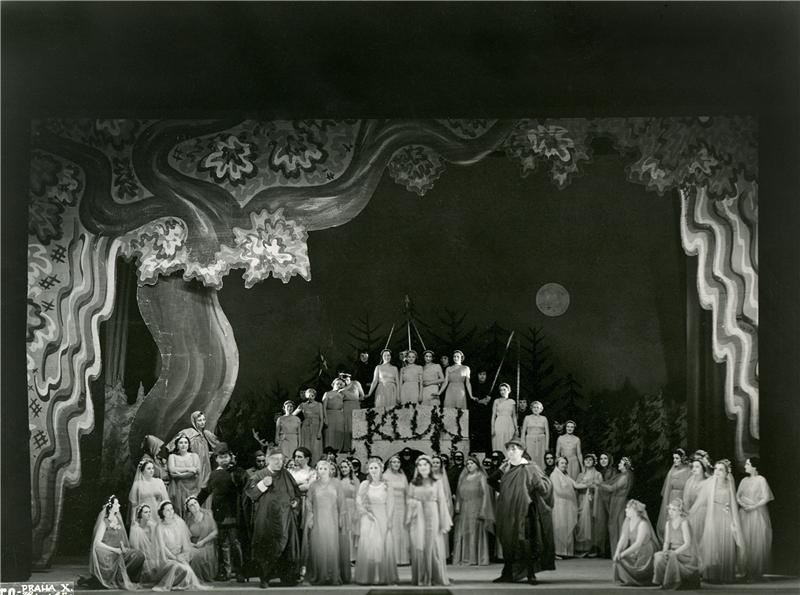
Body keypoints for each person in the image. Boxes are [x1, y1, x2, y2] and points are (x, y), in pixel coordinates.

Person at [490, 439, 555, 584]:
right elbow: (491, 480)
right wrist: (507, 491)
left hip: (526, 510)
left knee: (526, 541)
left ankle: (531, 574)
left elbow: (544, 486)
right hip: (508, 511)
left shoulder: (530, 467)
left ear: (522, 451)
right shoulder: (506, 468)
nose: (511, 451)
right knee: (508, 541)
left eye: (515, 448)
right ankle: (507, 573)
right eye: (509, 449)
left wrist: (532, 491)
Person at [244, 446, 302, 588]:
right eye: (275, 459)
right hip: (267, 518)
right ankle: (265, 578)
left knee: (287, 546)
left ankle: (287, 577)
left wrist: (295, 502)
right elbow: (250, 493)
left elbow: (296, 493)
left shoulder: (286, 474)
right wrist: (263, 484)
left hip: (285, 518)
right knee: (267, 546)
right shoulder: (259, 474)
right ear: (268, 459)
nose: (278, 462)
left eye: (281, 459)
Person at [196, 443, 246, 582]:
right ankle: (226, 572)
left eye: (226, 457)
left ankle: (240, 571)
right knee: (222, 543)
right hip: (219, 512)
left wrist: (235, 469)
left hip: (233, 512)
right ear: (216, 459)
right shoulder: (212, 475)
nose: (224, 459)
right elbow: (204, 492)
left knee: (235, 542)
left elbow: (244, 484)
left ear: (231, 457)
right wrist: (194, 504)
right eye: (221, 457)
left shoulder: (237, 472)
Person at [406, 455, 453, 586]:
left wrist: (443, 520)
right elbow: (408, 499)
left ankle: (435, 575)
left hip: (432, 515)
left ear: (430, 467)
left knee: (433, 543)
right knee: (419, 544)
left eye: (425, 464)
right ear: (417, 468)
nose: (423, 467)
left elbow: (442, 501)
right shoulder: (413, 483)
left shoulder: (437, 482)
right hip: (418, 516)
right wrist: (415, 504)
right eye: (420, 465)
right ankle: (421, 576)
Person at [696, 459, 744, 583]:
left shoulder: (729, 483)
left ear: (727, 472)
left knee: (725, 543)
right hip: (713, 515)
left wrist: (733, 519)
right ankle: (712, 575)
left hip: (725, 515)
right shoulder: (710, 484)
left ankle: (725, 575)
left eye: (721, 470)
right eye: (716, 469)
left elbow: (732, 502)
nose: (717, 472)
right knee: (714, 543)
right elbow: (701, 501)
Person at [304, 460, 351, 585]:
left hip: (333, 519)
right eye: (320, 468)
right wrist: (310, 517)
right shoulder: (313, 485)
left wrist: (342, 518)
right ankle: (320, 575)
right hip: (318, 519)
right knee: (318, 546)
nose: (323, 471)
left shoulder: (336, 484)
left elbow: (342, 502)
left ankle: (333, 575)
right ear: (317, 470)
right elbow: (308, 502)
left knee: (332, 545)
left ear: (330, 470)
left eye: (325, 468)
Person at [354, 458, 399, 585]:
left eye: (376, 468)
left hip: (382, 516)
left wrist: (389, 519)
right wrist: (365, 512)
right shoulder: (364, 484)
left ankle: (382, 576)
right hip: (368, 517)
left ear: (381, 469)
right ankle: (369, 576)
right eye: (371, 468)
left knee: (382, 545)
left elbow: (391, 502)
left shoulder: (387, 485)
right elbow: (359, 500)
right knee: (369, 546)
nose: (373, 470)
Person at [89, 495, 145, 589]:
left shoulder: (118, 519)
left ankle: (130, 579)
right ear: (110, 507)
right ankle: (117, 578)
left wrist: (122, 547)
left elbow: (119, 537)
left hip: (118, 550)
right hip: (107, 553)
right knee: (123, 557)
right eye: (116, 504)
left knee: (139, 555)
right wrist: (114, 550)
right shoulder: (104, 522)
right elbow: (97, 543)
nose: (119, 505)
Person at [152, 501, 209, 591]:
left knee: (187, 570)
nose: (171, 512)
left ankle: (179, 583)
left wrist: (182, 556)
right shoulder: (160, 527)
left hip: (178, 555)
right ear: (162, 512)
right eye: (167, 510)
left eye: (171, 509)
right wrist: (174, 558)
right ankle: (171, 583)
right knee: (178, 567)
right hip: (166, 557)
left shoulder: (178, 522)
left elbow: (184, 543)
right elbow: (162, 547)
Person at [452, 455, 494, 565]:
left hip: (476, 506)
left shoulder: (481, 476)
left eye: (472, 463)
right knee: (464, 531)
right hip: (465, 507)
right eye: (468, 464)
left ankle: (476, 558)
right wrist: (458, 505)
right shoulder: (463, 477)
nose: (469, 466)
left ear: (477, 465)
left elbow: (485, 494)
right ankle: (465, 557)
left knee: (475, 532)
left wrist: (483, 509)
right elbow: (458, 492)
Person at [737, 456, 774, 580]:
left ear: (754, 466)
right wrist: (743, 505)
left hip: (757, 513)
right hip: (744, 513)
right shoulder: (744, 480)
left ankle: (756, 571)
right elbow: (738, 496)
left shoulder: (761, 480)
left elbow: (766, 497)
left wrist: (753, 507)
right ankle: (745, 570)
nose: (745, 466)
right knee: (745, 541)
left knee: (756, 541)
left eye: (747, 464)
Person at [653, 498, 701, 589]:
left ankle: (673, 582)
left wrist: (674, 553)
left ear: (680, 511)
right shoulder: (668, 523)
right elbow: (666, 542)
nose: (670, 512)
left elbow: (687, 543)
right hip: (673, 551)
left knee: (671, 556)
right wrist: (664, 552)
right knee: (658, 556)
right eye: (670, 509)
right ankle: (663, 581)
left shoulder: (684, 523)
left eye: (674, 509)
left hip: (684, 553)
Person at [612, 499, 660, 586]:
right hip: (635, 551)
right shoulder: (628, 521)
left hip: (645, 552)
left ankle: (639, 578)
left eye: (628, 508)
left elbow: (638, 543)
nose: (625, 510)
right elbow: (623, 538)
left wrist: (622, 554)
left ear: (635, 511)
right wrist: (617, 552)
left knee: (622, 557)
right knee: (620, 560)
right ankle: (629, 579)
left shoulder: (643, 524)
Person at [550, 456, 588, 558]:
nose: (564, 465)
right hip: (559, 505)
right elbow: (558, 491)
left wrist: (589, 484)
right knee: (560, 526)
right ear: (557, 464)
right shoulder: (554, 475)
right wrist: (571, 494)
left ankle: (568, 552)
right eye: (562, 463)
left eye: (565, 463)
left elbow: (576, 485)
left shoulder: (566, 475)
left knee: (568, 527)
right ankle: (559, 551)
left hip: (568, 505)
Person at [598, 456, 634, 558]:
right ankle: (617, 551)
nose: (618, 464)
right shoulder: (622, 475)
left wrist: (599, 484)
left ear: (625, 466)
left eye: (620, 463)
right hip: (616, 501)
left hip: (620, 502)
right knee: (616, 525)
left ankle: (620, 551)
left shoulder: (624, 477)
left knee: (618, 525)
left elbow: (612, 488)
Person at [173, 411, 220, 490]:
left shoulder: (206, 434)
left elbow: (216, 445)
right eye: (199, 420)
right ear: (194, 421)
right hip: (194, 464)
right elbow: (175, 446)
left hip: (205, 464)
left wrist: (208, 453)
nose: (202, 422)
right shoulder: (188, 433)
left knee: (205, 484)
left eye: (203, 420)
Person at [656, 449, 691, 540]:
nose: (674, 460)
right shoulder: (672, 470)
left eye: (677, 458)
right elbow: (668, 487)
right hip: (672, 496)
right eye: (674, 458)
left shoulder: (688, 470)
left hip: (682, 496)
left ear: (682, 458)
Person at [384, 454, 411, 565]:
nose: (396, 464)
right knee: (393, 530)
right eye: (394, 462)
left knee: (402, 530)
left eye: (398, 462)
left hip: (402, 506)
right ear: (390, 464)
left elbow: (407, 493)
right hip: (391, 506)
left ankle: (403, 558)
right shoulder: (385, 476)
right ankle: (393, 558)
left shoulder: (402, 476)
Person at [167, 434, 201, 517]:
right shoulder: (172, 456)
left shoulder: (194, 456)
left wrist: (179, 474)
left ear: (189, 445)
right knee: (180, 510)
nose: (183, 445)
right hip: (178, 488)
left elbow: (197, 471)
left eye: (185, 442)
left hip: (193, 487)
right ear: (177, 445)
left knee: (192, 509)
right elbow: (172, 470)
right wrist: (189, 469)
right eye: (181, 442)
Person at [185, 496, 218, 582]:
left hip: (207, 543)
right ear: (189, 509)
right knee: (189, 554)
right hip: (194, 544)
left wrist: (203, 542)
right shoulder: (188, 520)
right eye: (191, 505)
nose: (194, 506)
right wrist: (191, 544)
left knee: (198, 556)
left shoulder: (208, 514)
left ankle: (198, 578)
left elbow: (215, 532)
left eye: (195, 503)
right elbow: (185, 536)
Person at [575, 453, 603, 555]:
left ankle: (590, 547)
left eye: (590, 460)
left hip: (592, 500)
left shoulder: (598, 474)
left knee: (591, 521)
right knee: (581, 521)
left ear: (594, 462)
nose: (588, 461)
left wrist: (593, 488)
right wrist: (585, 485)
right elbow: (576, 485)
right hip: (582, 499)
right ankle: (581, 548)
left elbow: (601, 487)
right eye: (586, 460)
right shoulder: (580, 475)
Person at [591, 452, 617, 558]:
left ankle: (609, 550)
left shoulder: (612, 471)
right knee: (602, 523)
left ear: (609, 459)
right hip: (602, 498)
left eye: (605, 458)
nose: (603, 460)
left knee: (608, 522)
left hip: (609, 499)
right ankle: (603, 549)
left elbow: (612, 485)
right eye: (601, 459)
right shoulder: (601, 471)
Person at [129, 459, 170, 525]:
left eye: (152, 468)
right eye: (148, 469)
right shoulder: (137, 484)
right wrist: (133, 519)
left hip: (157, 512)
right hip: (144, 514)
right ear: (142, 471)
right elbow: (134, 505)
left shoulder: (159, 482)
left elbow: (165, 500)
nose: (152, 470)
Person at [683, 456, 711, 544]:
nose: (694, 469)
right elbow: (686, 499)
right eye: (693, 467)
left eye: (697, 467)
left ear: (703, 468)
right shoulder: (690, 481)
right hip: (690, 513)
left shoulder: (708, 482)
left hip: (703, 513)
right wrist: (686, 512)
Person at [294, 388, 324, 464]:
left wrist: (319, 432)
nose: (310, 397)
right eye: (308, 395)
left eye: (312, 395)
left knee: (316, 448)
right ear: (306, 396)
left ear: (315, 396)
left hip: (316, 428)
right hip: (305, 428)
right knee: (306, 447)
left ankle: (315, 465)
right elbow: (293, 414)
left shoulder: (319, 405)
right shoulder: (303, 405)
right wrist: (298, 422)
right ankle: (305, 465)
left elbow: (321, 419)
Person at [339, 459, 360, 562]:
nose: (343, 469)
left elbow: (358, 497)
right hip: (342, 508)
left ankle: (353, 557)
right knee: (343, 532)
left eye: (345, 467)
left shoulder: (355, 481)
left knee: (351, 531)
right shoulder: (338, 481)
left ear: (350, 468)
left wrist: (357, 511)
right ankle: (343, 556)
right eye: (342, 467)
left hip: (352, 507)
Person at [468, 368, 493, 452]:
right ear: (477, 375)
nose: (482, 376)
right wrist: (480, 401)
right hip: (476, 413)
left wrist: (489, 400)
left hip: (486, 414)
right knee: (476, 433)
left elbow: (492, 400)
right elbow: (471, 398)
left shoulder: (489, 386)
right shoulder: (474, 386)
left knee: (485, 433)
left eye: (484, 374)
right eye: (480, 374)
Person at [520, 401, 550, 470]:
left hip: (541, 441)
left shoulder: (544, 418)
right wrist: (523, 444)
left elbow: (547, 433)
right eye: (534, 407)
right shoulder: (527, 418)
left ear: (541, 409)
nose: (536, 409)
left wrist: (546, 446)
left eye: (537, 407)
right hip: (530, 441)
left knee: (541, 458)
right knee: (530, 457)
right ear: (531, 408)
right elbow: (523, 432)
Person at [339, 373, 364, 452]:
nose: (345, 378)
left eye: (346, 376)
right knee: (347, 426)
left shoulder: (356, 383)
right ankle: (347, 447)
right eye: (343, 377)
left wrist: (355, 400)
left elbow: (362, 396)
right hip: (346, 406)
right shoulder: (341, 386)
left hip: (355, 405)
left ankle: (357, 446)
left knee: (356, 425)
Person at [321, 379, 347, 453]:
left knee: (339, 433)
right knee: (329, 433)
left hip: (339, 415)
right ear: (333, 384)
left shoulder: (342, 395)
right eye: (338, 383)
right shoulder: (327, 393)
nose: (339, 385)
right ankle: (328, 452)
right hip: (329, 414)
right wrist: (325, 418)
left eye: (341, 384)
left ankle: (338, 451)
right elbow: (324, 407)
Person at [491, 383, 517, 451]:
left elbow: (514, 416)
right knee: (499, 441)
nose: (502, 392)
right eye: (501, 390)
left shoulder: (512, 402)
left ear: (508, 390)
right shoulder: (496, 401)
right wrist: (492, 428)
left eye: (504, 390)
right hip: (499, 422)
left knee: (508, 441)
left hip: (509, 423)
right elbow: (493, 415)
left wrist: (516, 428)